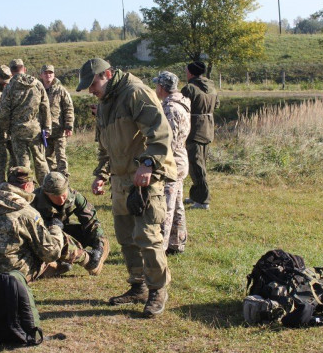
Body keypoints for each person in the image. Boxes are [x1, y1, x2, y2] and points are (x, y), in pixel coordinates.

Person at [76, 58, 177, 318]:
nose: (90, 90)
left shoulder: (135, 93)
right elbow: (105, 146)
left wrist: (148, 163)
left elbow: (160, 132)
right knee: (126, 237)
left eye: (93, 84)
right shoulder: (105, 103)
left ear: (108, 75)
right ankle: (138, 285)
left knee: (147, 235)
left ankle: (157, 289)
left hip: (144, 178)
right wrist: (102, 174)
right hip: (120, 179)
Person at [0, 166, 90, 286]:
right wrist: (55, 228)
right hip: (13, 277)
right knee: (53, 239)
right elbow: (51, 253)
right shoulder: (27, 213)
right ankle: (87, 260)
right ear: (27, 186)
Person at [31, 171, 109, 276]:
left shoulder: (74, 195)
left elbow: (91, 221)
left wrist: (98, 246)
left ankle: (100, 252)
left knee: (95, 236)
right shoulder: (34, 201)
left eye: (63, 194)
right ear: (46, 193)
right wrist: (49, 225)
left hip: (64, 233)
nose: (62, 199)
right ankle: (54, 265)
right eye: (57, 196)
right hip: (45, 238)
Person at [153, 72, 191, 255]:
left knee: (166, 207)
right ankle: (177, 242)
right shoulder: (182, 103)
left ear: (162, 87)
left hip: (172, 162)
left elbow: (169, 141)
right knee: (177, 204)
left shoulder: (170, 108)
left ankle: (160, 247)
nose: (155, 89)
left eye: (157, 85)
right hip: (181, 158)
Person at [0, 59, 51, 184]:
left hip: (17, 130)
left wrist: (5, 129)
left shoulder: (9, 87)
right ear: (24, 69)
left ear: (11, 72)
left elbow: (4, 111)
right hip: (35, 129)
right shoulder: (37, 84)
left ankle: (26, 188)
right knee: (40, 160)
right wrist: (47, 127)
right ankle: (47, 187)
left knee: (23, 163)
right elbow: (45, 107)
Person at [181, 61, 219, 210]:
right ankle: (196, 195)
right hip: (208, 129)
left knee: (196, 166)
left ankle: (203, 201)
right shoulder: (212, 87)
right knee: (199, 164)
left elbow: (181, 107)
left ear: (190, 73)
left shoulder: (189, 88)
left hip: (194, 130)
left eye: (186, 71)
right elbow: (217, 105)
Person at [40, 64, 74, 177]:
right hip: (45, 131)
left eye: (50, 73)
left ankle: (64, 180)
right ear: (41, 75)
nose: (48, 75)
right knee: (48, 158)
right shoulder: (38, 90)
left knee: (61, 156)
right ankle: (53, 180)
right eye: (45, 73)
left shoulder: (60, 90)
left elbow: (68, 108)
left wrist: (69, 126)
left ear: (54, 74)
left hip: (59, 130)